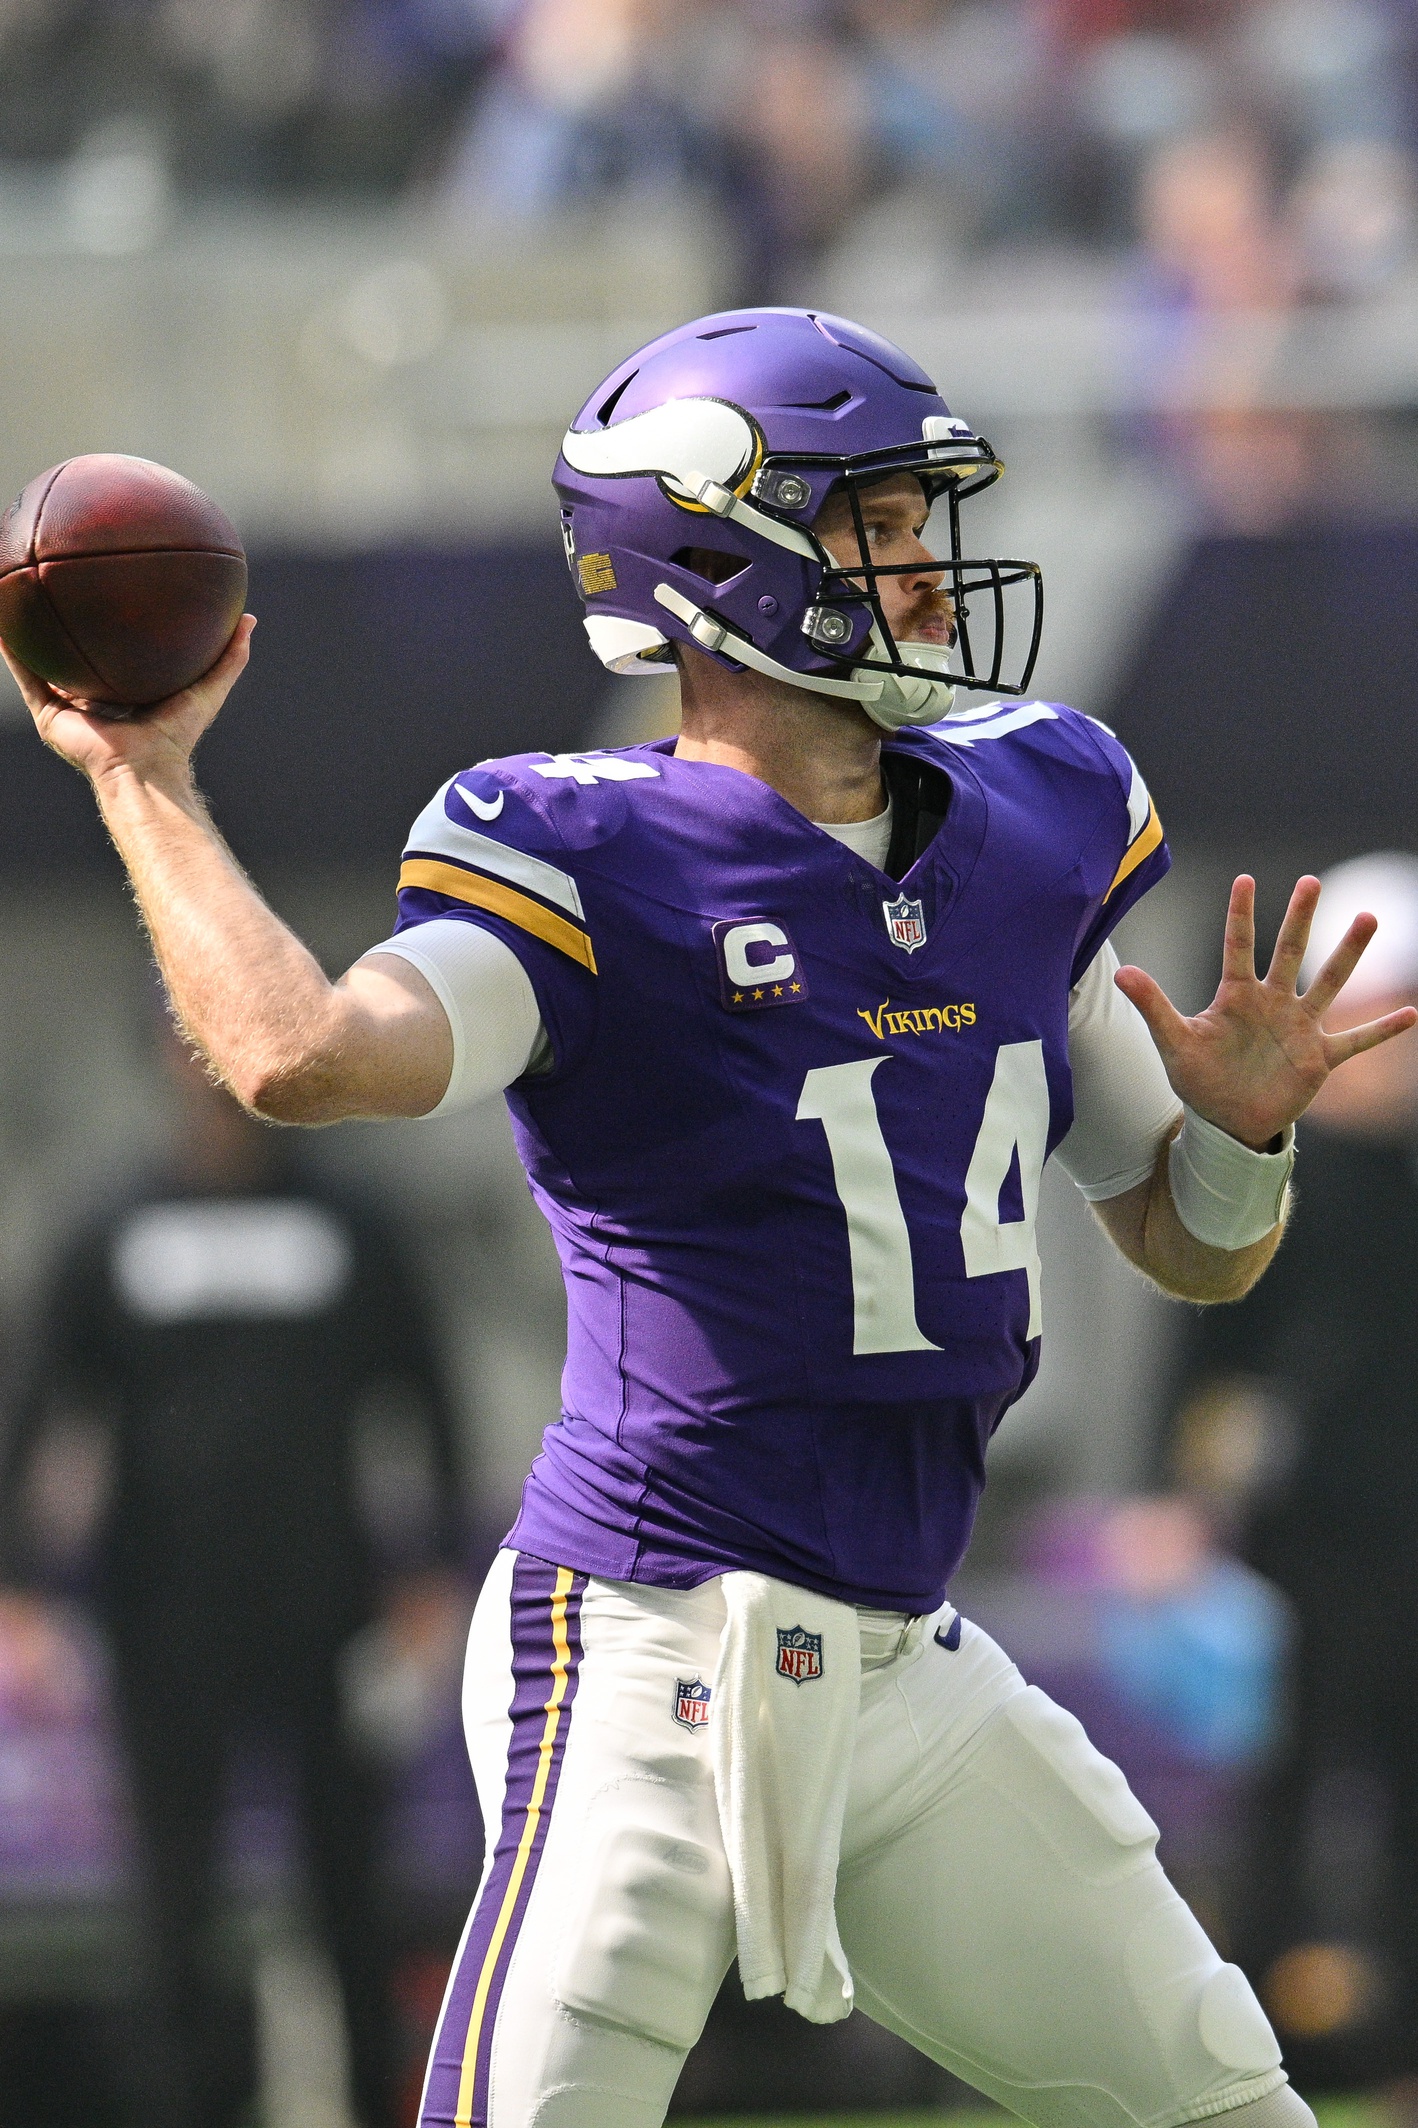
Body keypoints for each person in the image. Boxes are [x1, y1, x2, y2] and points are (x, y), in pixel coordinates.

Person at [9, 306, 1413, 2128]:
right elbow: (297, 1055)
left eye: (921, 524)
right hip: (645, 1649)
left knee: (1229, 2106)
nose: (924, 570)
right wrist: (145, 775)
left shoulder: (1034, 814)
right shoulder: (591, 854)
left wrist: (1236, 1141)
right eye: (876, 526)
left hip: (910, 1662)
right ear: (714, 555)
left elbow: (1190, 1240)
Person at [0, 1032, 468, 2128]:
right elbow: (35, 1405)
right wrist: (16, 1585)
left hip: (329, 1615)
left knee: (350, 1896)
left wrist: (430, 1569)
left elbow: (427, 1394)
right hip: (161, 1620)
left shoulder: (352, 1223)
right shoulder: (113, 1225)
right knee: (171, 1906)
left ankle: (364, 2100)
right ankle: (185, 2105)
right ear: (165, 1059)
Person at [1168, 853, 1418, 2076]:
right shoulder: (1280, 1166)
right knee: (1286, 1777)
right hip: (1309, 1535)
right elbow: (1207, 1330)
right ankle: (1251, 2045)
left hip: (1380, 1523)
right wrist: (1181, 1494)